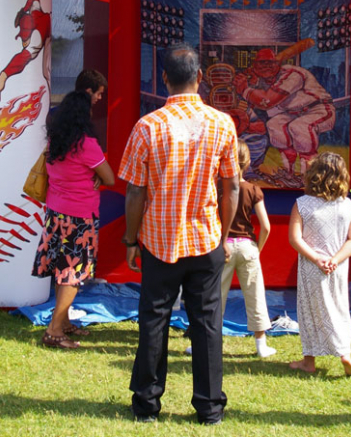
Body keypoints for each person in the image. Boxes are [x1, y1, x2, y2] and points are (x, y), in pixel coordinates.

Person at [119, 43, 240, 424]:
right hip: (206, 239)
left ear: (165, 79)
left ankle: (146, 404)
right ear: (200, 78)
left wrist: (130, 239)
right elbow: (232, 187)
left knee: (154, 320)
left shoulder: (148, 126)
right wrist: (222, 235)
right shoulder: (222, 124)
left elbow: (135, 191)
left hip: (158, 239)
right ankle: (209, 407)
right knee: (207, 324)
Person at [32, 90, 115, 349]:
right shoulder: (86, 144)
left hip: (55, 213)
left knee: (61, 271)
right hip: (79, 217)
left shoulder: (54, 141)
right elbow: (110, 177)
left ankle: (64, 321)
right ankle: (55, 330)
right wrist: (99, 178)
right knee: (73, 273)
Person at [288, 151, 351, 375]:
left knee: (309, 310)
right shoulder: (347, 206)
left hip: (312, 267)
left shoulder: (302, 204)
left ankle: (309, 361)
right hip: (336, 267)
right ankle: (344, 353)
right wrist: (335, 259)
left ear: (314, 175)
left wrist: (316, 258)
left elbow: (295, 238)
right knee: (339, 307)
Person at [233, 47, 335, 184]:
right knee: (274, 125)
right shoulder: (262, 82)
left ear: (278, 64)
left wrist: (245, 90)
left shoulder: (292, 73)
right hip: (292, 113)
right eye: (261, 63)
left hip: (318, 108)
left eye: (270, 63)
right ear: (255, 66)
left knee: (299, 127)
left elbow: (266, 101)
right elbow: (261, 111)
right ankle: (289, 173)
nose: (266, 67)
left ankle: (310, 177)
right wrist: (251, 85)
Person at [220, 139, 276, 358]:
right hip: (248, 247)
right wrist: (257, 248)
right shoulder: (254, 190)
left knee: (215, 296)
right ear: (248, 162)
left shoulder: (219, 187)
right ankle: (261, 345)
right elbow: (267, 226)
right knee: (255, 295)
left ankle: (203, 343)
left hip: (223, 247)